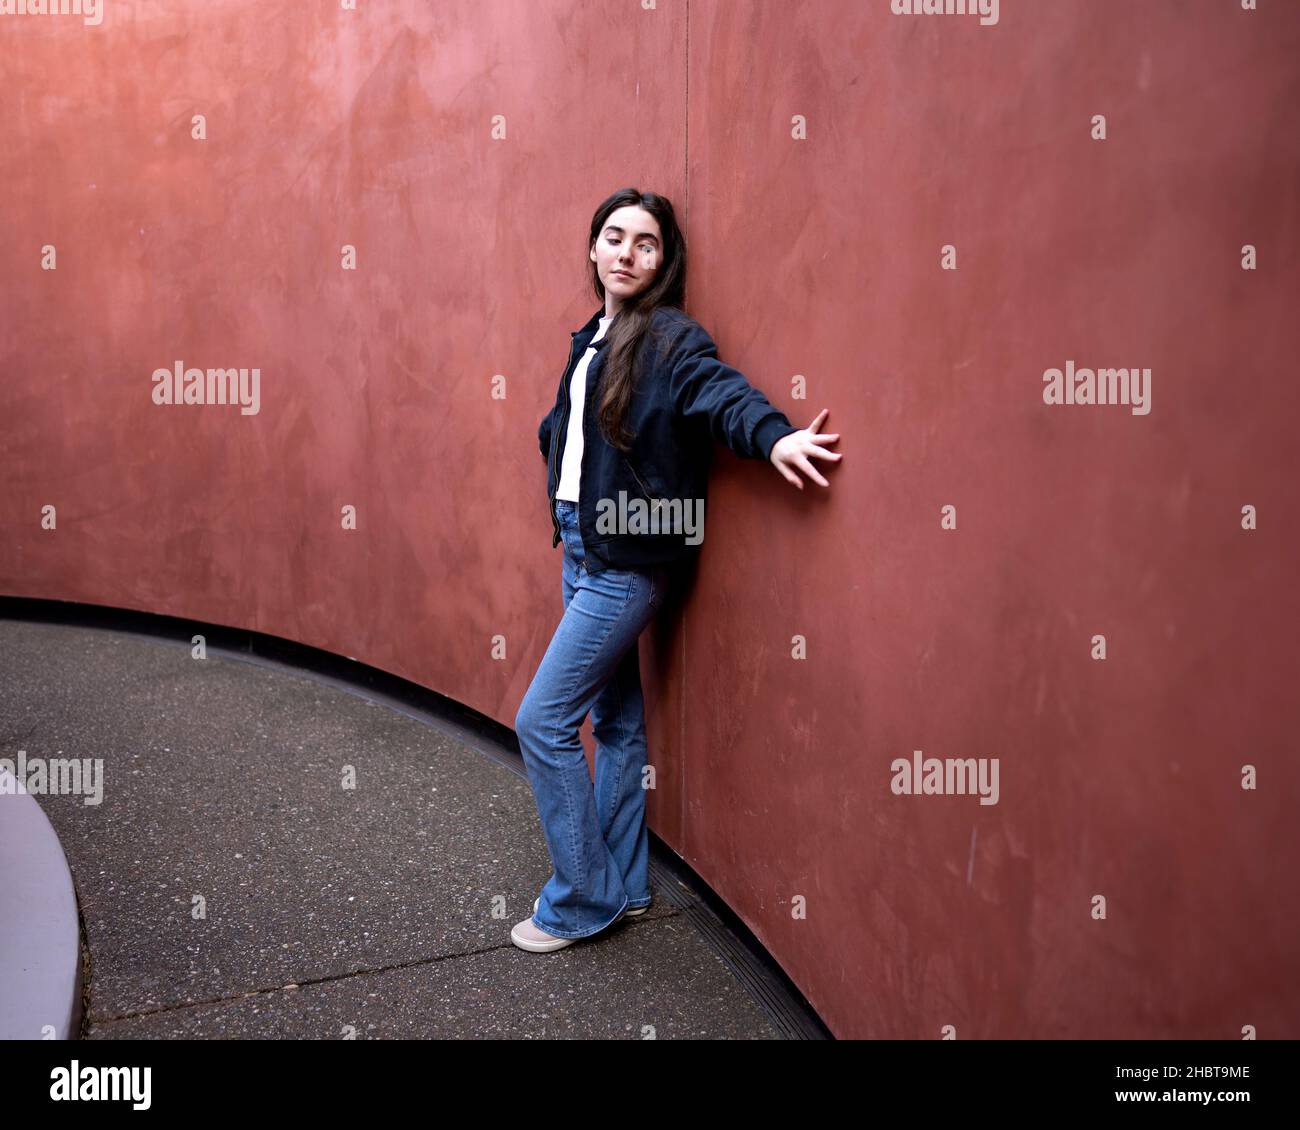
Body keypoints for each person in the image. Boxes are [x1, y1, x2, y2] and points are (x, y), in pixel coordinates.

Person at [512, 187, 842, 952]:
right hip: (585, 545)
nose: (627, 252)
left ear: (664, 263)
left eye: (646, 243)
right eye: (615, 237)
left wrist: (776, 437)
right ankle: (623, 882)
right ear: (593, 248)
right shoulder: (593, 335)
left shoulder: (668, 339)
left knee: (542, 721)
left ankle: (580, 902)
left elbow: (717, 394)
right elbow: (573, 432)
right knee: (617, 720)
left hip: (626, 564)